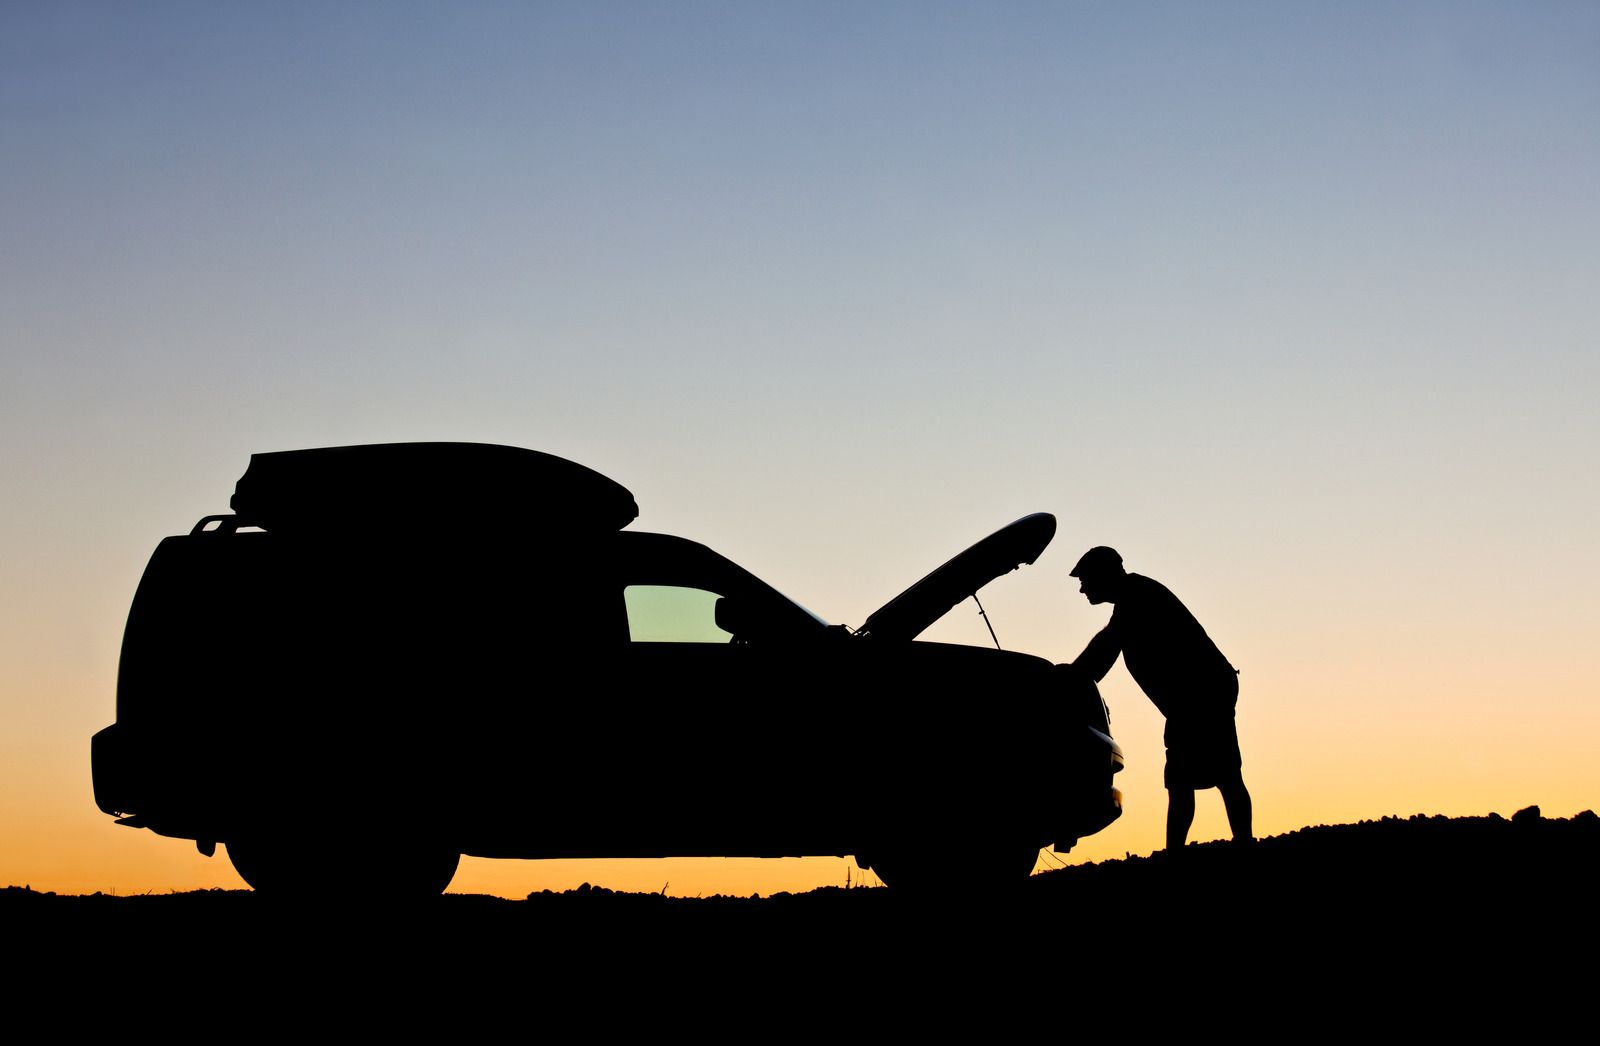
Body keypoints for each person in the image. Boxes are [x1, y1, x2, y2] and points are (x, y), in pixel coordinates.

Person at [1069, 546, 1253, 852]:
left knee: (1210, 776)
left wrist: (1069, 678)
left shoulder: (1136, 598)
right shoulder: (1133, 597)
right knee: (1202, 776)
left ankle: (1196, 852)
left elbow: (1102, 652)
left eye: (1085, 580)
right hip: (1196, 698)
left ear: (1104, 575)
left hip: (1202, 695)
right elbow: (1103, 652)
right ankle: (1203, 850)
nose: (1081, 588)